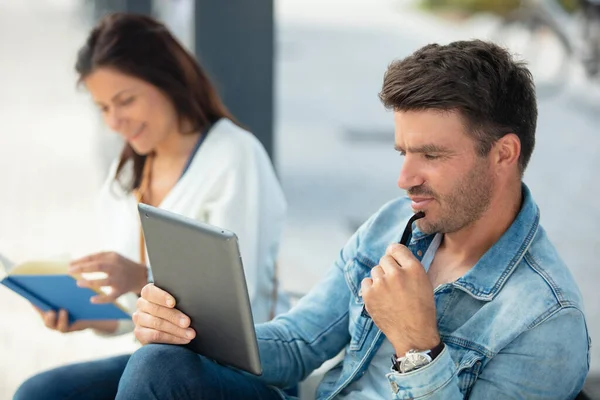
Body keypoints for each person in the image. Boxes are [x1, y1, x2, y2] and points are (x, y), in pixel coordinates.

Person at [116, 40, 590, 399]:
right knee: (98, 377)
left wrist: (416, 346)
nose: (405, 178)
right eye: (403, 151)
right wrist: (191, 327)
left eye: (431, 154)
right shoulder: (396, 225)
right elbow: (301, 342)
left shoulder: (546, 321)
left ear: (504, 153)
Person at [14, 12, 289, 400]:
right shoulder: (126, 174)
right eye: (104, 108)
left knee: (151, 367)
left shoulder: (234, 156)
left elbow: (232, 311)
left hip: (238, 368)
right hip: (160, 359)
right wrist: (84, 314)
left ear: (168, 81)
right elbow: (133, 316)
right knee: (40, 392)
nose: (115, 121)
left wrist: (141, 277)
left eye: (125, 101)